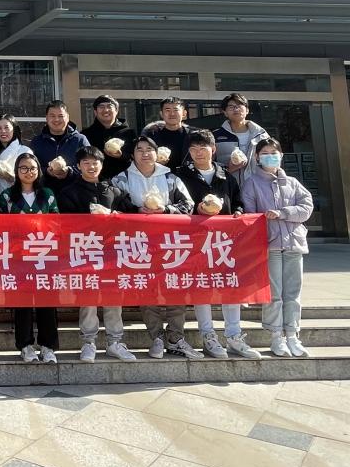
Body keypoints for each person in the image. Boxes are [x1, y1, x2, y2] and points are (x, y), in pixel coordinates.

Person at [112, 136, 200, 360]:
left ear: (156, 152)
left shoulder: (170, 177)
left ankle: (176, 337)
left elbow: (188, 205)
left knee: (175, 287)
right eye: (139, 149)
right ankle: (157, 338)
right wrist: (135, 211)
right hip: (139, 244)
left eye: (149, 149)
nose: (145, 154)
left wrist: (166, 210)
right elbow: (114, 208)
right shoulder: (121, 179)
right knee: (147, 289)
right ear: (132, 154)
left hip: (171, 243)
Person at [174, 130, 259, 360]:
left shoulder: (225, 176)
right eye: (193, 149)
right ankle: (208, 336)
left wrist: (238, 212)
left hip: (225, 241)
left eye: (203, 148)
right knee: (202, 287)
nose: (198, 153)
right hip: (195, 241)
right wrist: (197, 210)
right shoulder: (180, 175)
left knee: (229, 285)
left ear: (213, 149)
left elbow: (238, 201)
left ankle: (234, 336)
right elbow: (177, 204)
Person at [58, 147, 137, 363]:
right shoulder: (69, 192)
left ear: (101, 165)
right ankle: (88, 342)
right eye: (86, 163)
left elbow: (131, 216)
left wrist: (114, 215)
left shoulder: (113, 190)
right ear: (78, 166)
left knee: (113, 297)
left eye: (95, 162)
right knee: (88, 299)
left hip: (112, 253)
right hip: (85, 252)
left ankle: (115, 342)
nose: (91, 167)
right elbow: (65, 224)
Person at [241, 138, 314, 358]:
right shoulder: (251, 183)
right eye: (265, 153)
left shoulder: (292, 182)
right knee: (274, 293)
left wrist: (283, 213)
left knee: (293, 292)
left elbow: (306, 208)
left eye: (274, 152)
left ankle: (292, 334)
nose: (270, 156)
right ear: (257, 157)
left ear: (281, 155)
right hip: (270, 245)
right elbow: (250, 215)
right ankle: (276, 337)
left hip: (294, 243)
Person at [0, 153, 60, 363]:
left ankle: (48, 346)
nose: (28, 172)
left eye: (32, 168)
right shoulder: (7, 196)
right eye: (23, 168)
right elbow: (1, 225)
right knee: (22, 302)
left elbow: (56, 222)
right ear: (16, 171)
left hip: (44, 255)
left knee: (47, 302)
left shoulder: (48, 194)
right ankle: (25, 345)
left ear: (39, 171)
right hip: (19, 257)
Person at [29, 100, 90, 193]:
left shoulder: (80, 140)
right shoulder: (36, 142)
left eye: (61, 116)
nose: (56, 119)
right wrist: (47, 172)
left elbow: (89, 166)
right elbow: (30, 167)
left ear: (68, 117)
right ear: (46, 118)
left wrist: (69, 172)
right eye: (52, 116)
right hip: (45, 194)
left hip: (75, 194)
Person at [213, 93, 271, 186]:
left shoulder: (261, 136)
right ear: (225, 112)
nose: (236, 109)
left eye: (239, 105)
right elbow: (208, 166)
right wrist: (229, 169)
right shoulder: (216, 136)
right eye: (231, 106)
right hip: (229, 188)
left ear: (247, 110)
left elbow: (271, 163)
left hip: (258, 188)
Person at [81, 94, 136, 181]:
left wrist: (122, 155)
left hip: (125, 181)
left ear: (116, 110)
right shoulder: (86, 135)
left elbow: (136, 157)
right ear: (95, 112)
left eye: (109, 106)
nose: (106, 110)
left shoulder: (129, 133)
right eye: (101, 107)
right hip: (96, 181)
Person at [142, 97, 194, 173]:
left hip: (188, 177)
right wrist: (156, 164)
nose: (172, 114)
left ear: (184, 113)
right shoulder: (151, 136)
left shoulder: (193, 136)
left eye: (176, 110)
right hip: (159, 176)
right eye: (167, 110)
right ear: (161, 114)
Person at [0, 114, 31, 197]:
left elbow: (31, 178)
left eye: (6, 127)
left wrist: (13, 178)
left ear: (14, 129)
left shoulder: (25, 151)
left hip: (19, 198)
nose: (3, 131)